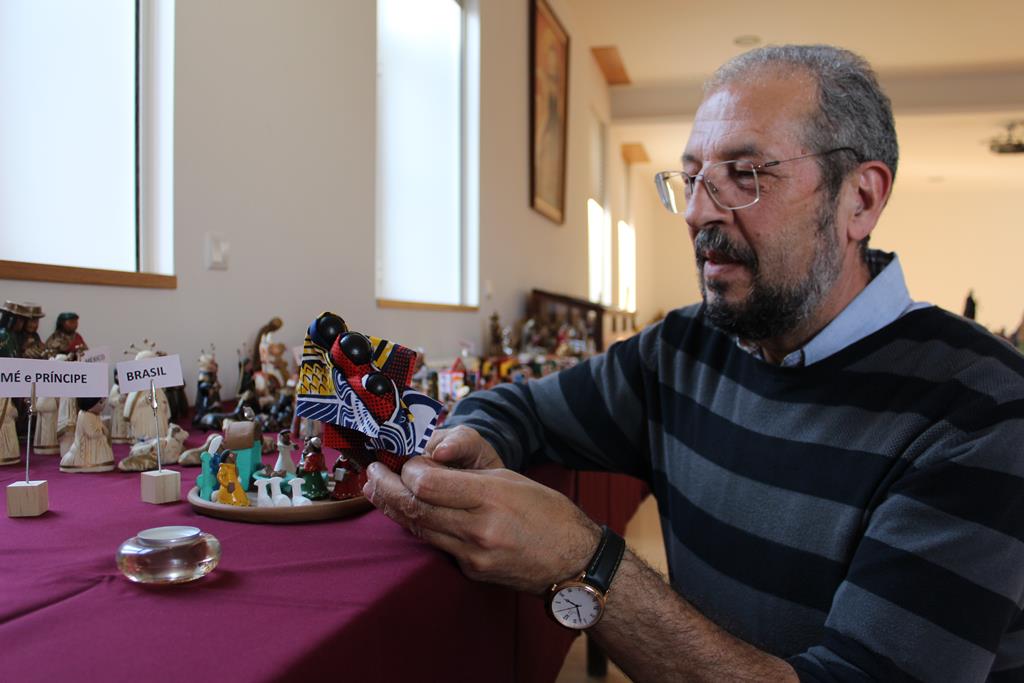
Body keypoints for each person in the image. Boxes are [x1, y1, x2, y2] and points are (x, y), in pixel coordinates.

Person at [363, 45, 1024, 681]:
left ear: (861, 199)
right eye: (693, 177)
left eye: (747, 174)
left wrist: (582, 561)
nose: (699, 211)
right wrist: (469, 442)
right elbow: (523, 406)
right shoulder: (682, 349)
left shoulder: (983, 412)